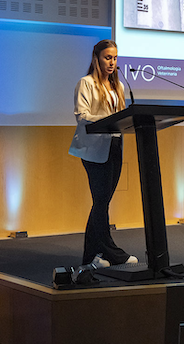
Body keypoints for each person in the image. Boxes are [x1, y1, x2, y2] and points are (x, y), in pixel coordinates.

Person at [69, 39, 139, 275]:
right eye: (108, 57)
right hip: (93, 148)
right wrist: (107, 122)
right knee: (100, 201)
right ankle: (107, 252)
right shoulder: (85, 83)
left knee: (103, 202)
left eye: (115, 58)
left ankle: (94, 256)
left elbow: (121, 115)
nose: (112, 62)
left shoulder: (117, 86)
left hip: (115, 144)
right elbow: (82, 115)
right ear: (97, 58)